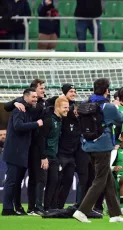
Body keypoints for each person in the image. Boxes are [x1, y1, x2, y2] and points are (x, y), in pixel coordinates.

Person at [72, 78, 123, 223]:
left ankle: (115, 214)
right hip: (103, 146)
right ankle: (82, 211)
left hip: (88, 145)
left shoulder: (85, 103)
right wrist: (116, 106)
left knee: (107, 180)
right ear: (107, 91)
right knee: (100, 180)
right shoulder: (108, 106)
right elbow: (120, 119)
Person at [4, 79, 49, 216]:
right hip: (15, 151)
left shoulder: (29, 108)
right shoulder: (20, 108)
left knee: (16, 181)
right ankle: (7, 208)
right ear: (26, 97)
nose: (36, 98)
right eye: (33, 96)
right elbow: (18, 127)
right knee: (12, 181)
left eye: (37, 96)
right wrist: (37, 124)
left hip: (22, 151)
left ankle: (14, 207)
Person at [38, 96, 69, 211]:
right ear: (57, 107)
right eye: (65, 107)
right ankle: (37, 207)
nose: (67, 109)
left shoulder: (60, 120)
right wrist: (43, 156)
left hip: (54, 156)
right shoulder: (49, 120)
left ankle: (48, 208)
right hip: (45, 156)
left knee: (54, 182)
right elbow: (41, 138)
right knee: (41, 182)